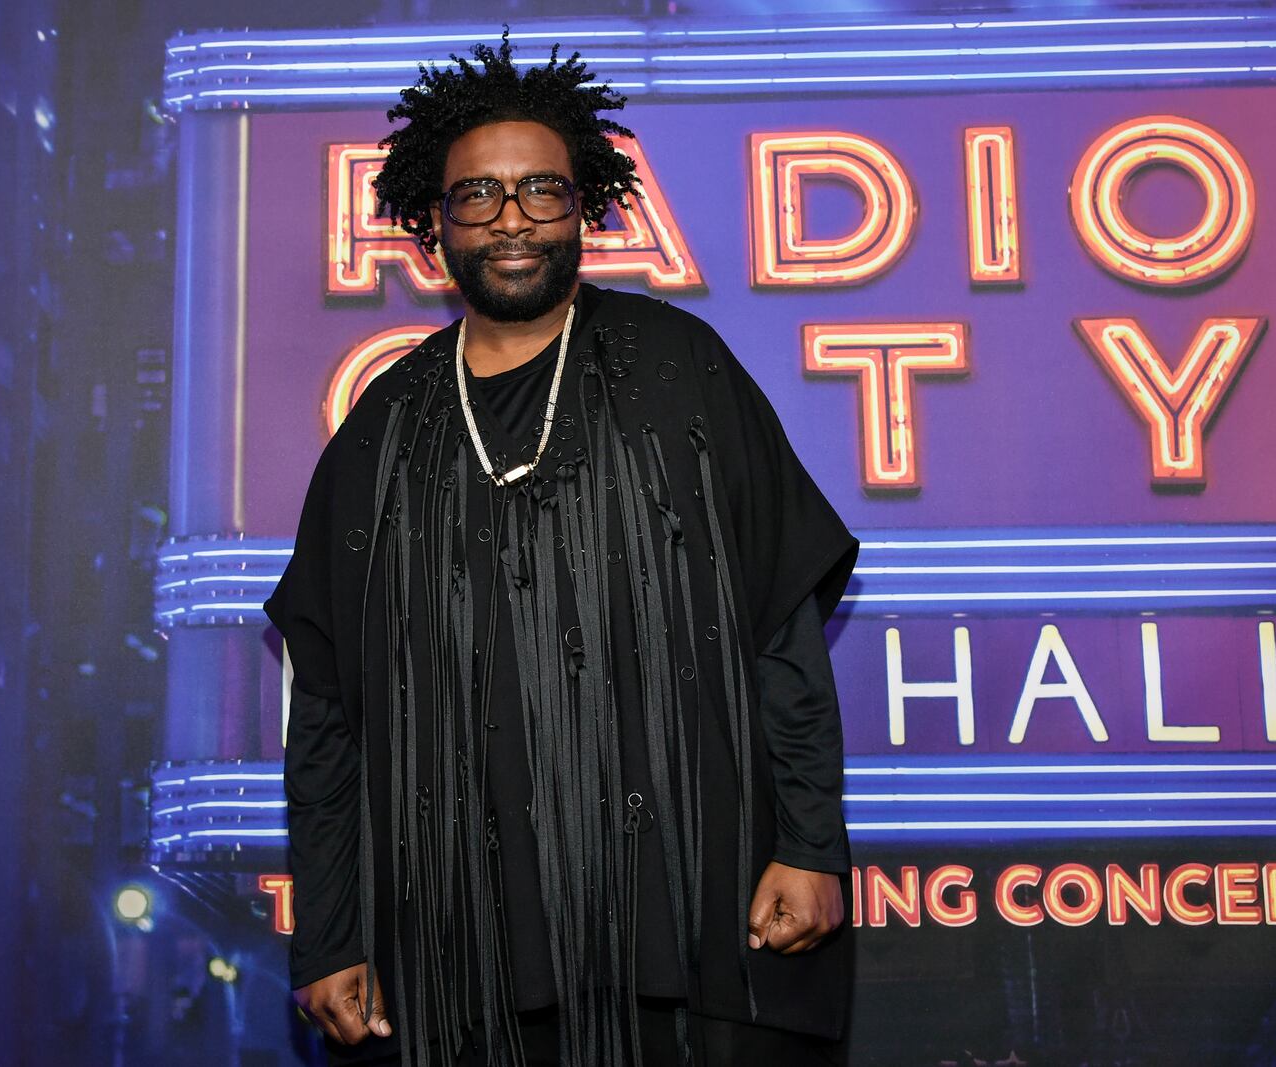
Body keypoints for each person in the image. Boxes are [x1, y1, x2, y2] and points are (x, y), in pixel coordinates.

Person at [264, 33, 860, 1067]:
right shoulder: (381, 431)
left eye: (540, 190)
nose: (510, 219)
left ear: (582, 206)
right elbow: (326, 717)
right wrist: (330, 930)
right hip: (462, 952)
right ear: (431, 223)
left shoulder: (681, 371)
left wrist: (807, 842)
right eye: (478, 196)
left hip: (697, 921)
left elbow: (779, 627)